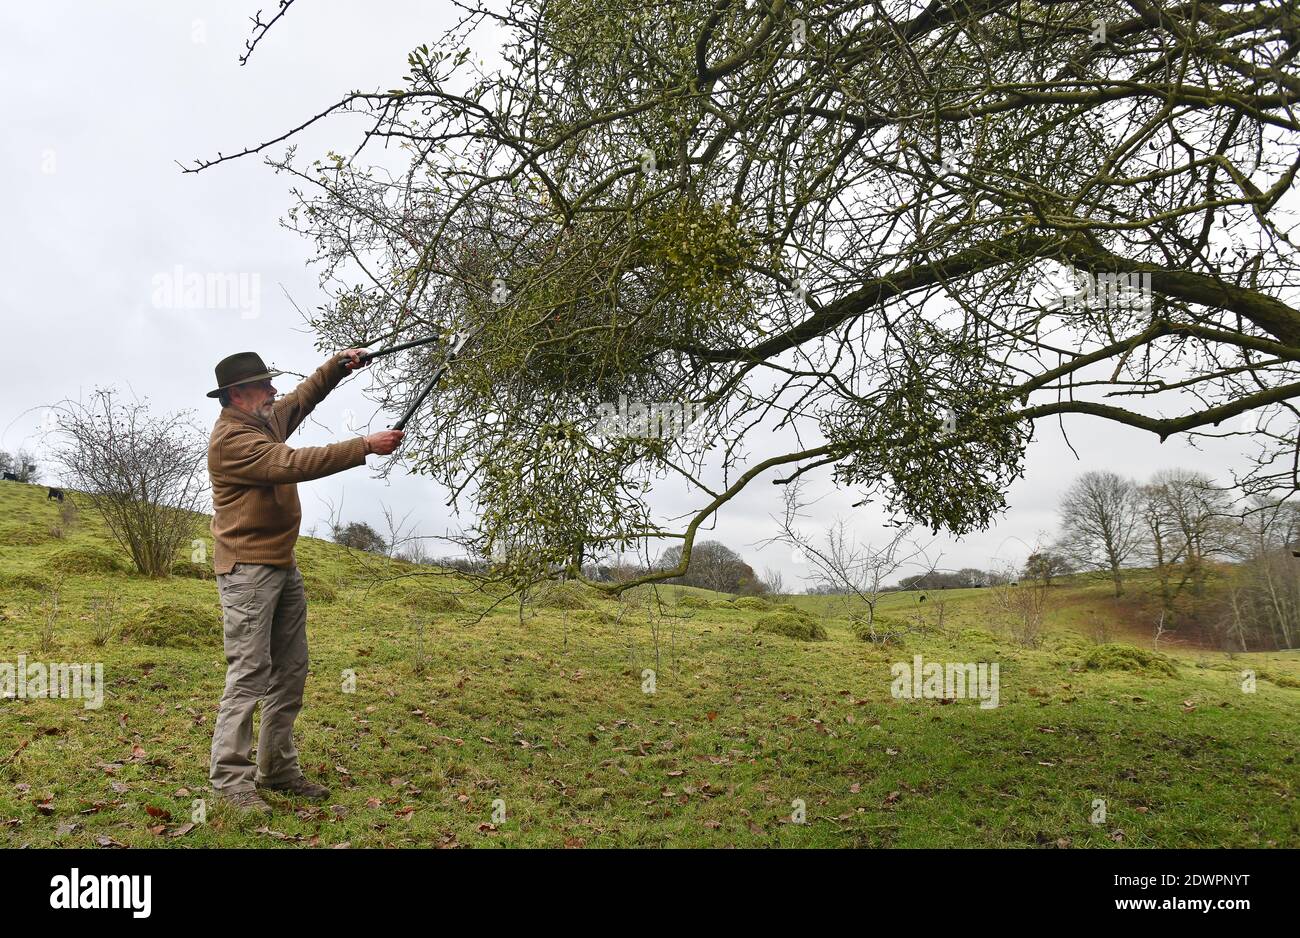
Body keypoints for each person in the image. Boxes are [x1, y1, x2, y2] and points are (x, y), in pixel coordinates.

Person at [205, 349, 403, 815]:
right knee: (250, 673)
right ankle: (231, 782)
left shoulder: (263, 420)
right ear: (238, 394)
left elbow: (300, 400)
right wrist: (364, 447)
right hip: (247, 571)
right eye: (263, 385)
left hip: (281, 565)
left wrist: (337, 366)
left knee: (290, 670)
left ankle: (275, 769)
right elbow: (292, 463)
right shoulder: (232, 441)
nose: (274, 391)